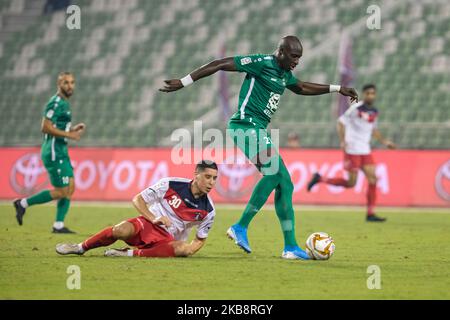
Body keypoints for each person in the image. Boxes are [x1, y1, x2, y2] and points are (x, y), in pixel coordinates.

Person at [160, 35, 358, 260]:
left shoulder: (284, 74)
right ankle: (240, 227)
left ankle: (290, 247)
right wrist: (184, 81)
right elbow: (219, 64)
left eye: (299, 58)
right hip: (244, 125)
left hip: (258, 129)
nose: (297, 61)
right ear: (280, 52)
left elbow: (301, 87)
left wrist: (338, 88)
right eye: (293, 56)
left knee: (285, 183)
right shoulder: (261, 62)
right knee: (273, 172)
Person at [55, 160, 218, 258]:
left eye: (215, 178)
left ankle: (128, 253)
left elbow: (200, 239)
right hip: (148, 224)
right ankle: (80, 247)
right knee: (120, 230)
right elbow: (138, 199)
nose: (211, 182)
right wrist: (153, 217)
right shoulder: (171, 184)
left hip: (169, 239)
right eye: (208, 177)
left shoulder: (208, 210)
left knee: (182, 249)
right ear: (196, 174)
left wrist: (190, 249)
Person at [307, 84, 396, 222]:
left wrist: (385, 142)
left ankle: (370, 213)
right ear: (364, 94)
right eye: (368, 93)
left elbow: (373, 129)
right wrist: (343, 141)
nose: (371, 95)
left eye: (373, 93)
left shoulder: (374, 111)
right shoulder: (355, 108)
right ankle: (320, 179)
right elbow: (341, 123)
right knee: (351, 183)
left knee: (373, 179)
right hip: (353, 149)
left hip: (365, 150)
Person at [13, 72, 85, 233]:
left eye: (72, 82)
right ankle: (23, 203)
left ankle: (58, 225)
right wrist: (70, 135)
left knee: (70, 187)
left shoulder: (64, 103)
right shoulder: (55, 102)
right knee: (62, 191)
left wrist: (72, 129)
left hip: (61, 150)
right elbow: (45, 127)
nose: (70, 86)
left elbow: (57, 127)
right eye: (66, 82)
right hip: (53, 152)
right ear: (58, 84)